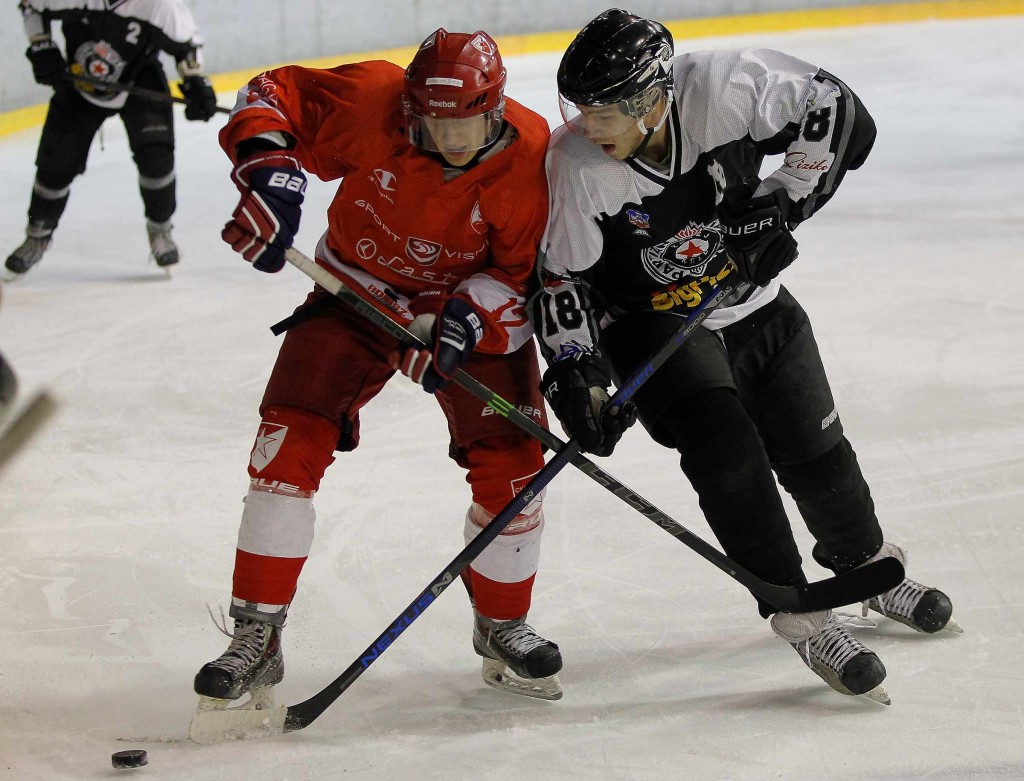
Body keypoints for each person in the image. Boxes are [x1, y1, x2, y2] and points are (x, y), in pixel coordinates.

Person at [532, 8, 960, 705]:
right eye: (579, 109)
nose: (587, 126)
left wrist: (784, 206)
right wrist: (577, 368)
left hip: (756, 303)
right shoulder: (577, 165)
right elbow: (559, 278)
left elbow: (839, 110)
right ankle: (801, 613)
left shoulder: (727, 87)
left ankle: (865, 565)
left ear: (651, 98)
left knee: (815, 446)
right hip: (653, 323)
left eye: (603, 111)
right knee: (728, 458)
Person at [193, 29, 563, 711]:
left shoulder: (532, 154)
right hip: (352, 290)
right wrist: (269, 172)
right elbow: (270, 94)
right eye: (436, 124)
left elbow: (520, 279)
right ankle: (256, 635)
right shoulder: (372, 98)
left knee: (515, 466)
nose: (453, 140)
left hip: (458, 308)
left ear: (497, 108)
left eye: (469, 124)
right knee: (285, 446)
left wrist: (457, 322)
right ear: (410, 108)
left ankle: (502, 621)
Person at [5, 0, 218, 276]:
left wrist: (195, 81)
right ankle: (37, 235)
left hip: (139, 79)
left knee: (156, 158)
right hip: (79, 82)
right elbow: (31, 5)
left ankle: (161, 230)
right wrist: (41, 44)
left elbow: (187, 45)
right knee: (56, 163)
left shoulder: (158, 5)